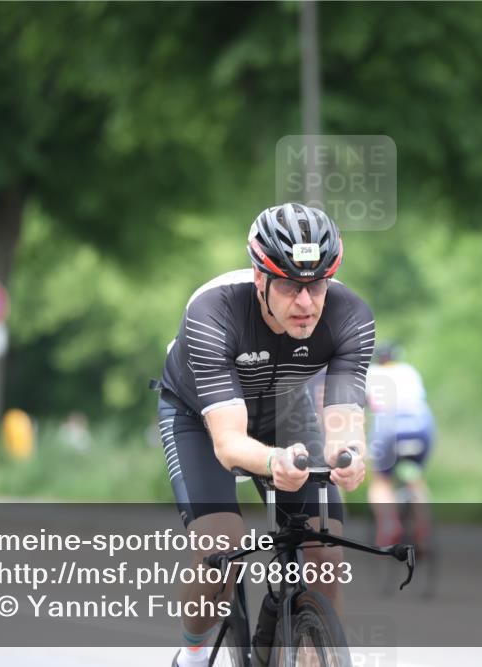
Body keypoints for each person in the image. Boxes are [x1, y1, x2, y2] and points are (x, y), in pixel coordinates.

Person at [154, 203, 375, 667]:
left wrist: (349, 455)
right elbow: (229, 444)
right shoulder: (213, 310)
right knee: (222, 547)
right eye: (291, 286)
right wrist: (274, 463)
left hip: (285, 409)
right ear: (261, 280)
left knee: (324, 553)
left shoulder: (350, 315)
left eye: (316, 285)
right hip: (200, 417)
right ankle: (192, 656)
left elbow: (342, 419)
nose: (305, 303)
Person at [364, 343, 436, 547]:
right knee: (416, 478)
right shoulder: (409, 371)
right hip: (422, 425)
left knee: (381, 481)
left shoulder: (372, 373)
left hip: (389, 428)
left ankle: (389, 525)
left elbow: (364, 405)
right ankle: (423, 525)